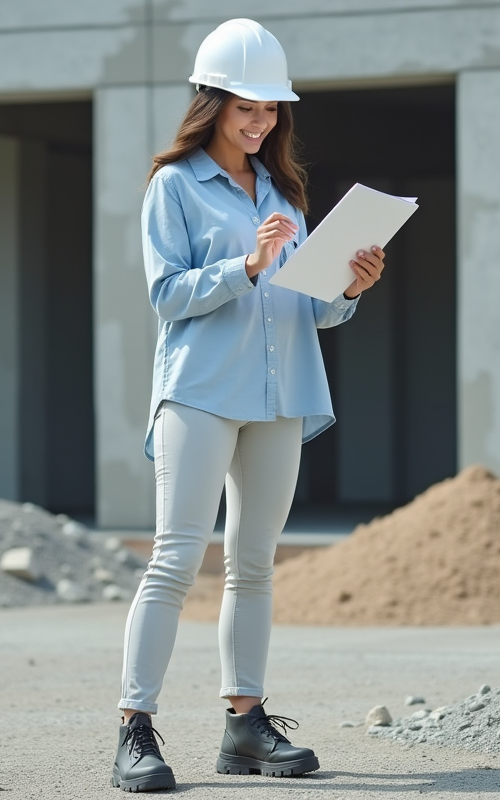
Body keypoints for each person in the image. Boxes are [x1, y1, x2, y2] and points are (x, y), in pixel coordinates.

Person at [110, 18, 387, 793]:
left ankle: (246, 727)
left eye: (271, 110)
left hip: (280, 397)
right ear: (211, 103)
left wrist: (349, 289)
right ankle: (134, 729)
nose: (261, 122)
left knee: (255, 565)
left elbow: (307, 309)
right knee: (175, 559)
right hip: (200, 395)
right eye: (246, 108)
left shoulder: (285, 193)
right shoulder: (174, 185)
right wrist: (246, 262)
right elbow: (166, 296)